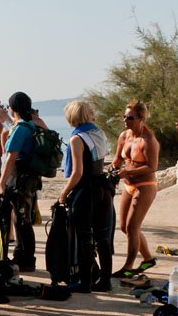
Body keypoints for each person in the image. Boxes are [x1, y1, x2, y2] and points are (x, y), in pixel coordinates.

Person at [58, 101, 114, 292]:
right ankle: (105, 281)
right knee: (102, 236)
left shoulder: (77, 139)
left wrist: (64, 194)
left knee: (84, 237)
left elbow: (77, 173)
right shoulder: (99, 133)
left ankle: (85, 282)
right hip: (103, 188)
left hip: (86, 191)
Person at [111, 101, 160, 277]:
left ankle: (128, 267)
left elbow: (152, 167)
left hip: (145, 185)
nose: (126, 120)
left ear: (141, 118)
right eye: (124, 116)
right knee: (124, 227)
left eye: (130, 118)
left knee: (133, 227)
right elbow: (117, 159)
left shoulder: (149, 140)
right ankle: (148, 259)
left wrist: (127, 171)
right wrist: (112, 169)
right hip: (128, 184)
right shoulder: (124, 136)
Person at [0, 92, 42, 272]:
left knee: (22, 220)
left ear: (13, 108)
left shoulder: (21, 129)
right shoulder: (33, 125)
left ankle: (27, 259)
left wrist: (1, 182)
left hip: (19, 179)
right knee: (22, 218)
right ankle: (21, 254)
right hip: (31, 178)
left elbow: (10, 157)